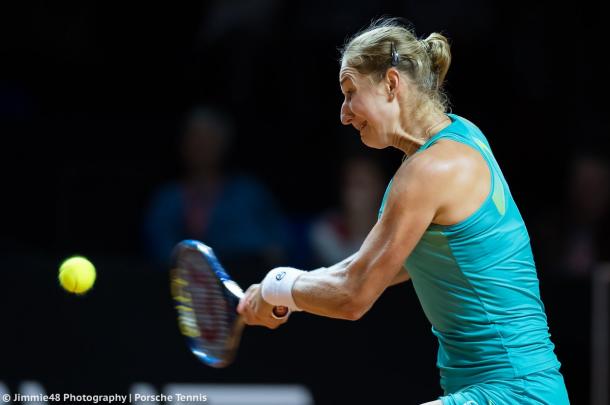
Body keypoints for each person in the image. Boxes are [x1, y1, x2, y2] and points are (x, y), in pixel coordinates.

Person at [237, 18, 569, 405]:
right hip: (524, 388)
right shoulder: (463, 135)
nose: (344, 114)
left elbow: (353, 294)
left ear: (391, 83)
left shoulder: (428, 172)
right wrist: (286, 291)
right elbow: (374, 267)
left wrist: (281, 286)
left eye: (350, 92)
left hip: (513, 393)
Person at [143, 106, 287, 275]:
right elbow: (161, 255)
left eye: (209, 137)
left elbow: (273, 250)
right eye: (195, 136)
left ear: (224, 143)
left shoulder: (248, 194)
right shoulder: (167, 200)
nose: (201, 144)